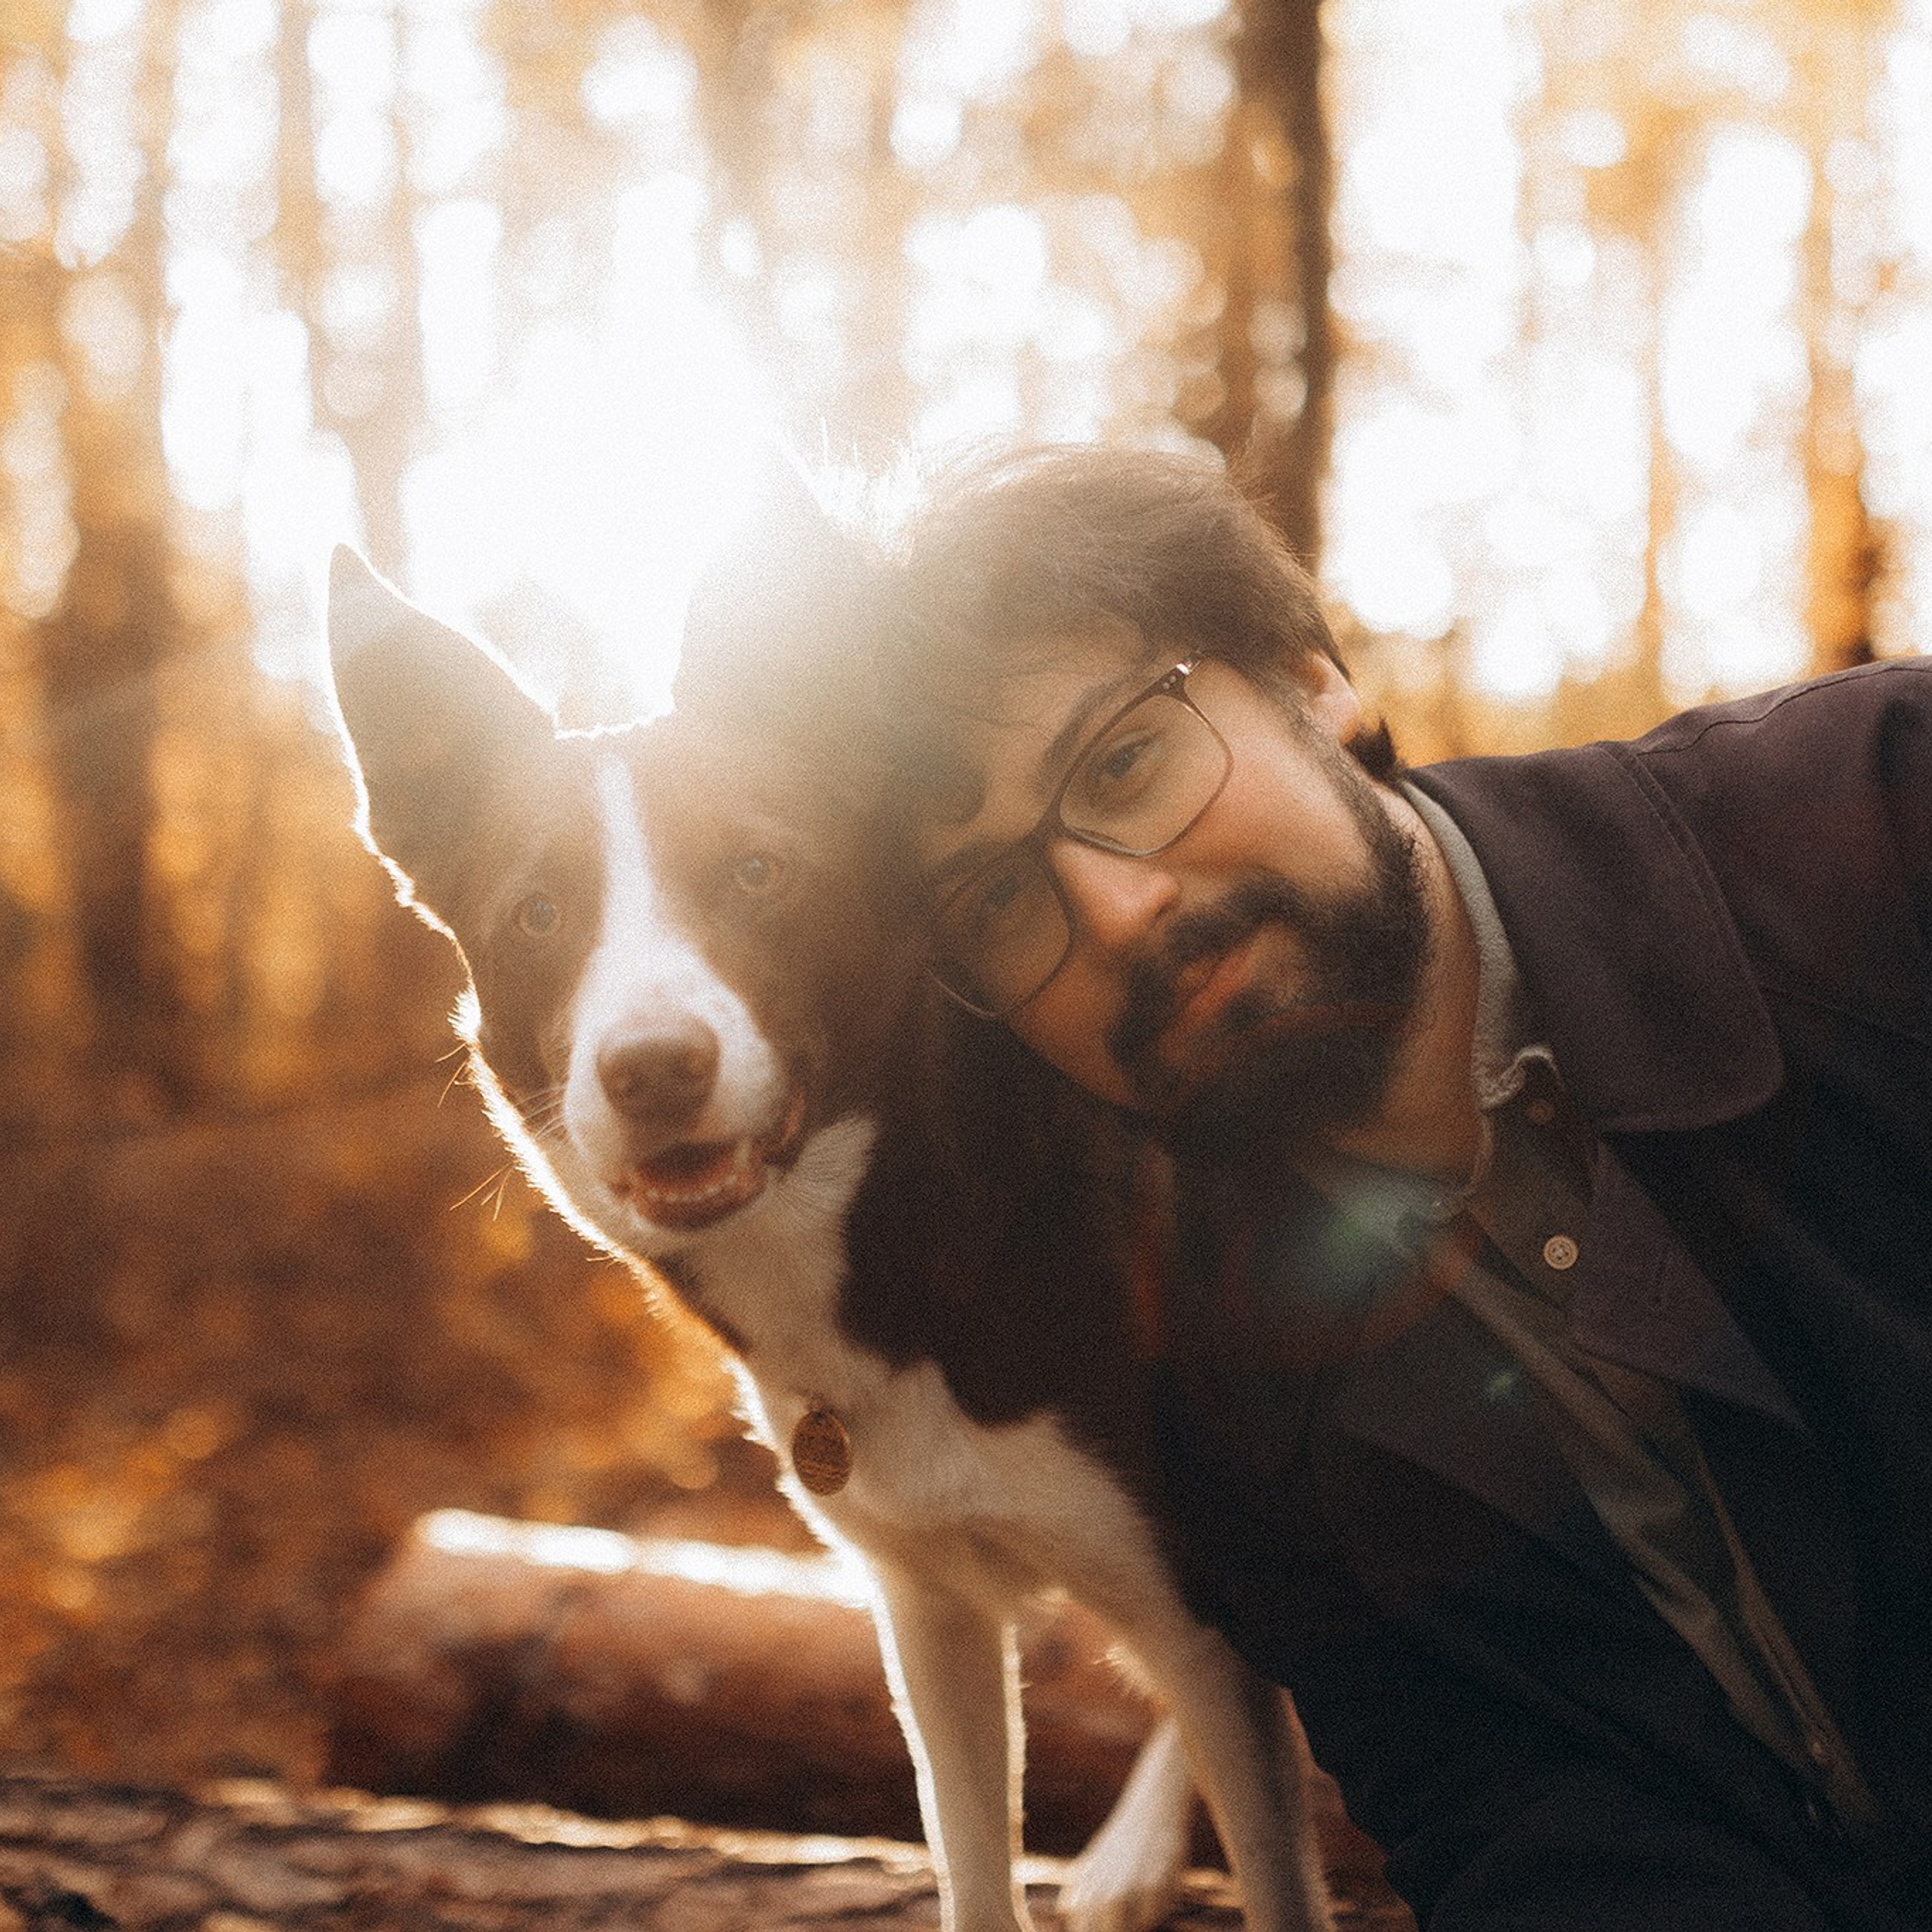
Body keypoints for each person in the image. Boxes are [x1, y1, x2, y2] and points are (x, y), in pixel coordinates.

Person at [875, 443, 1932, 1930]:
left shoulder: (1881, 822)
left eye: (1123, 761)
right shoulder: (1225, 1396)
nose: (1114, 908)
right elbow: (1533, 1848)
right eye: (997, 901)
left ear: (1313, 681)